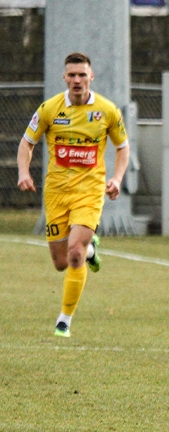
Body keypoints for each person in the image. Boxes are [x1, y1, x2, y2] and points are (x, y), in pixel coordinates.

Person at [17, 52, 129, 338]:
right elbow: (27, 142)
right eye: (72, 75)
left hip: (90, 192)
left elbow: (122, 146)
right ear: (64, 78)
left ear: (91, 77)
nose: (77, 80)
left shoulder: (107, 110)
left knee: (74, 253)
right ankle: (92, 249)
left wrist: (116, 178)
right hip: (56, 192)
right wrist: (23, 172)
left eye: (82, 74)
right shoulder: (50, 109)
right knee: (60, 262)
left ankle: (64, 320)